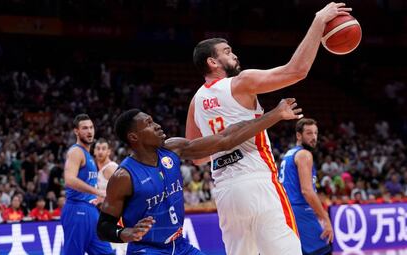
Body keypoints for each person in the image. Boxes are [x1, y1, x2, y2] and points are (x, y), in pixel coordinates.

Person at [185, 3, 351, 254]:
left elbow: (196, 157)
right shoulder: (240, 82)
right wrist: (319, 21)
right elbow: (297, 71)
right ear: (212, 62)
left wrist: (225, 147)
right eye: (227, 52)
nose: (235, 56)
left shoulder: (195, 101)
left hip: (225, 191)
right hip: (257, 180)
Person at [97, 98, 302, 254]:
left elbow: (225, 140)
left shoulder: (173, 149)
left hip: (180, 245)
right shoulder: (124, 176)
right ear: (134, 137)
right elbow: (103, 227)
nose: (158, 125)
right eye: (149, 124)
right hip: (147, 249)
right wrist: (125, 233)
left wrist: (275, 115)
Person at [280, 118, 333, 255]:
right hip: (301, 211)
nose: (314, 137)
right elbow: (307, 191)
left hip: (288, 212)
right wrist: (325, 217)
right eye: (309, 133)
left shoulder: (289, 154)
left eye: (316, 133)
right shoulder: (304, 154)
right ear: (299, 135)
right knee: (323, 249)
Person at [62, 114, 113, 255]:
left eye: (91, 127)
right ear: (76, 131)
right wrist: (98, 192)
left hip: (91, 210)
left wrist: (97, 196)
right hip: (76, 210)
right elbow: (69, 180)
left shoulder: (89, 156)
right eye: (84, 128)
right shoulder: (76, 152)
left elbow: (86, 183)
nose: (89, 131)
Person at [94, 138, 127, 255]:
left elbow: (124, 191)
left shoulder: (110, 168)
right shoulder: (99, 169)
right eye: (98, 148)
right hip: (105, 215)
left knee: (120, 249)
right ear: (94, 151)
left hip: (116, 216)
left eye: (103, 149)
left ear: (109, 152)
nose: (100, 151)